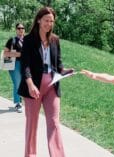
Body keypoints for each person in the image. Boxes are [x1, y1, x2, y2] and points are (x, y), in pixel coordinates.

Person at [18, 7, 73, 157]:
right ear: (39, 20)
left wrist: (65, 71)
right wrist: (30, 84)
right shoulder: (29, 40)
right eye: (46, 20)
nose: (49, 24)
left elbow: (58, 64)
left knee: (54, 122)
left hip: (52, 86)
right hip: (33, 86)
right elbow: (25, 65)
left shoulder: (55, 39)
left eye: (52, 21)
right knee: (32, 123)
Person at [3, 23, 25, 112]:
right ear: (16, 30)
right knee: (18, 83)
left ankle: (20, 101)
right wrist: (18, 54)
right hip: (14, 64)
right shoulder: (12, 40)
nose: (21, 29)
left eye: (22, 28)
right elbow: (5, 53)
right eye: (19, 28)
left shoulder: (27, 40)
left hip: (25, 65)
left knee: (21, 83)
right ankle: (18, 103)